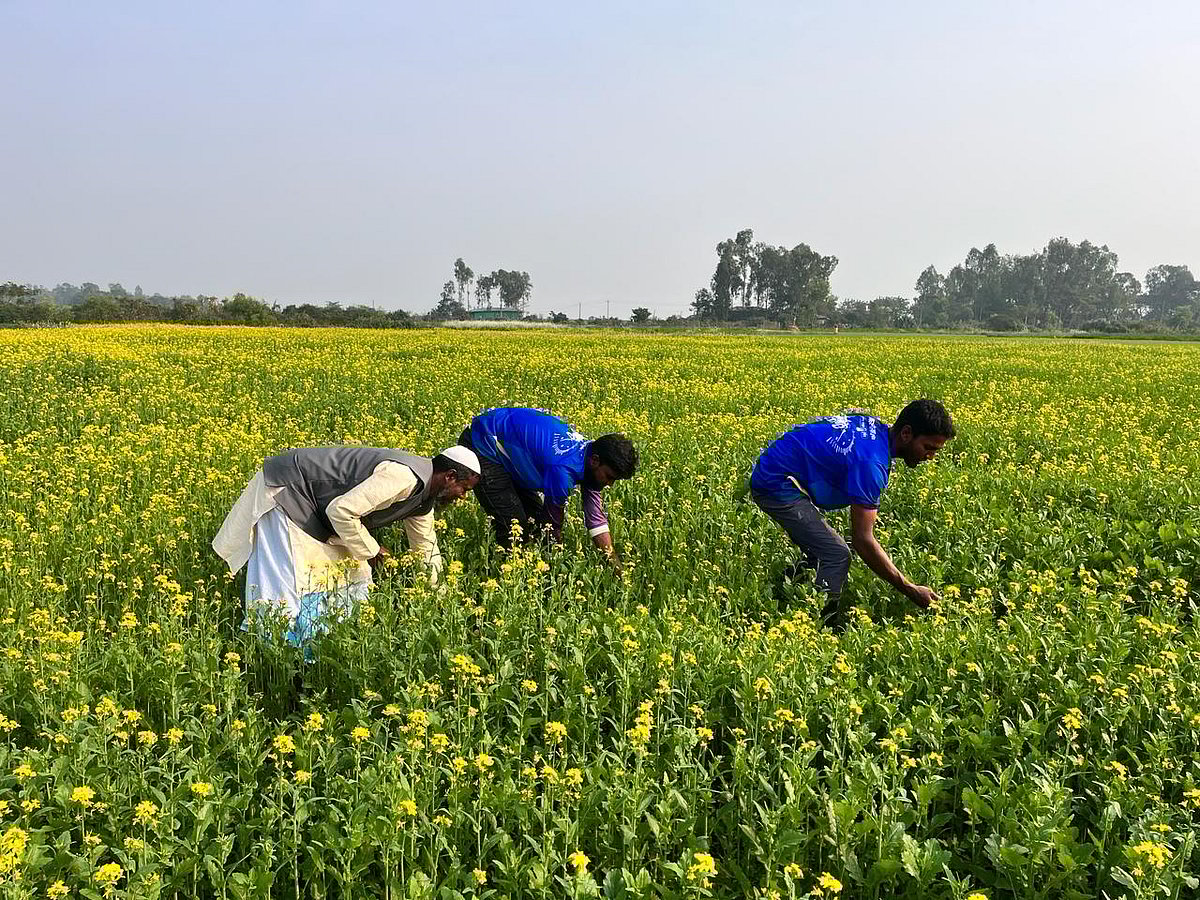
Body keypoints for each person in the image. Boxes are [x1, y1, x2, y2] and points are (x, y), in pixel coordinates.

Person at [212, 445, 480, 648]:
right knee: (290, 583)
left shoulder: (424, 499)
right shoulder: (404, 477)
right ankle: (274, 654)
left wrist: (443, 600)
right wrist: (373, 552)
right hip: (290, 496)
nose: (463, 497)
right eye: (464, 489)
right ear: (450, 476)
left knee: (353, 577)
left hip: (322, 510)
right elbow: (341, 511)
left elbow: (425, 550)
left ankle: (324, 648)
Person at [748, 399, 955, 630]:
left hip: (781, 465)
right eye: (928, 448)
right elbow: (863, 540)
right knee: (836, 553)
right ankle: (821, 625)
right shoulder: (870, 464)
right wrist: (909, 588)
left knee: (827, 543)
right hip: (776, 482)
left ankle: (785, 587)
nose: (930, 456)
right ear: (906, 433)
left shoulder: (877, 429)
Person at [458, 407, 637, 570]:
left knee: (534, 522)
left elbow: (596, 520)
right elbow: (552, 526)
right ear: (595, 460)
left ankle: (524, 567)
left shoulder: (590, 456)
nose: (610, 484)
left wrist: (616, 566)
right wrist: (558, 565)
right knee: (515, 525)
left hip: (508, 444)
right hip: (482, 441)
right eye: (610, 477)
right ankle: (506, 574)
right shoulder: (563, 470)